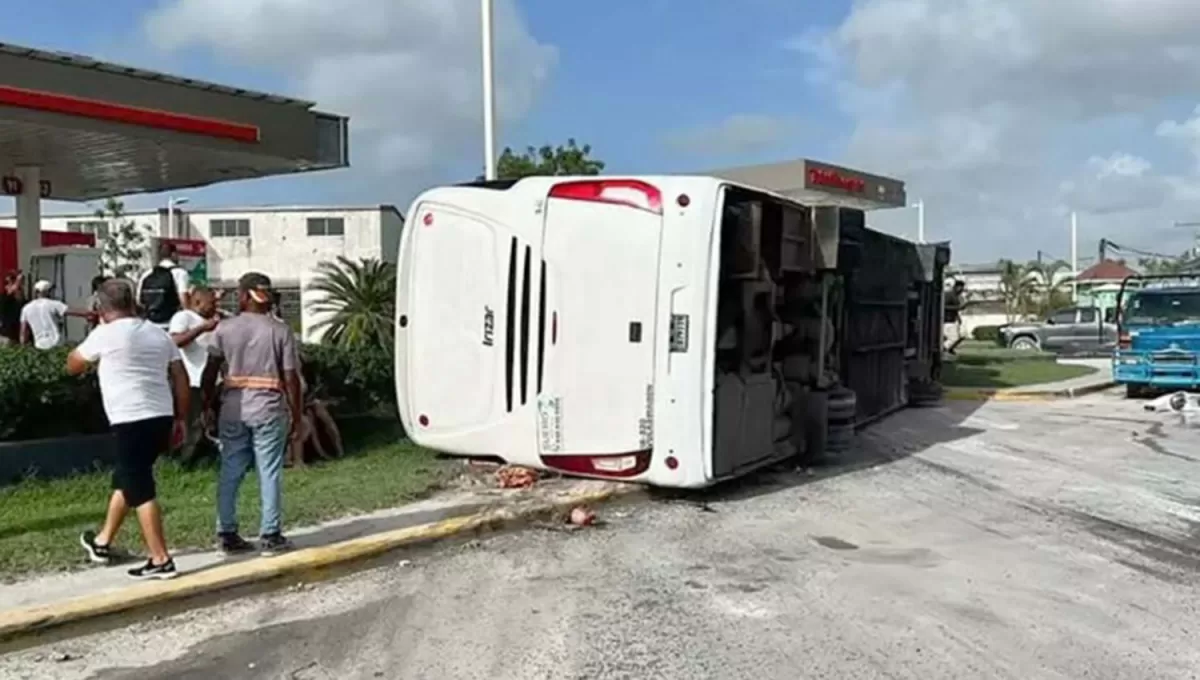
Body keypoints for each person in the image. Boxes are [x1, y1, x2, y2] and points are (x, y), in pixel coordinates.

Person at [69, 279, 189, 580]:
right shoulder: (158, 334)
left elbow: (73, 364)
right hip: (161, 414)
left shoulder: (104, 334)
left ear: (101, 307)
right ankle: (103, 542)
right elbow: (180, 376)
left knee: (140, 488)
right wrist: (182, 418)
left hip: (129, 418)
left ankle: (160, 559)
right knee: (127, 475)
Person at [201, 272, 302, 556]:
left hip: (232, 408)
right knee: (269, 471)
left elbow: (210, 372)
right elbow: (291, 377)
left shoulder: (224, 329)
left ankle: (227, 533)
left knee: (231, 469)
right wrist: (296, 413)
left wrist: (207, 406)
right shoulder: (280, 331)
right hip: (269, 408)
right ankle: (270, 534)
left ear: (244, 295)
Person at [168, 286, 220, 463]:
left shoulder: (212, 320)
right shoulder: (184, 317)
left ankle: (203, 455)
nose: (215, 306)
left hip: (209, 379)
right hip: (191, 378)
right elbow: (175, 341)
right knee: (193, 422)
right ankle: (184, 459)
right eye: (211, 303)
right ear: (197, 302)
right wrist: (202, 329)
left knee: (205, 420)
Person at [20, 280, 91, 349]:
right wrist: (93, 313)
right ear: (48, 292)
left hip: (39, 345)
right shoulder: (54, 304)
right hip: (56, 344)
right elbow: (75, 312)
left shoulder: (26, 308)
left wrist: (23, 348)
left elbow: (23, 332)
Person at [137, 243, 191, 330]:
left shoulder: (147, 274)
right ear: (174, 254)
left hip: (150, 324)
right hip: (172, 324)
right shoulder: (180, 273)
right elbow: (183, 299)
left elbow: (139, 301)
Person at [944, 280, 967, 356]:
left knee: (962, 335)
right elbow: (943, 307)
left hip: (954, 319)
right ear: (957, 287)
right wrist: (958, 307)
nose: (962, 290)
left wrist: (958, 318)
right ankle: (944, 348)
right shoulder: (949, 295)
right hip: (947, 320)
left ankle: (950, 349)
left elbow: (957, 309)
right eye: (961, 288)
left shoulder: (956, 296)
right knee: (954, 338)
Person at [0, 270, 23, 346]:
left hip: (18, 337)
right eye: (7, 283)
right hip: (6, 336)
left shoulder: (22, 301)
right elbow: (11, 291)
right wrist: (18, 280)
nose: (9, 285)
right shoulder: (3, 298)